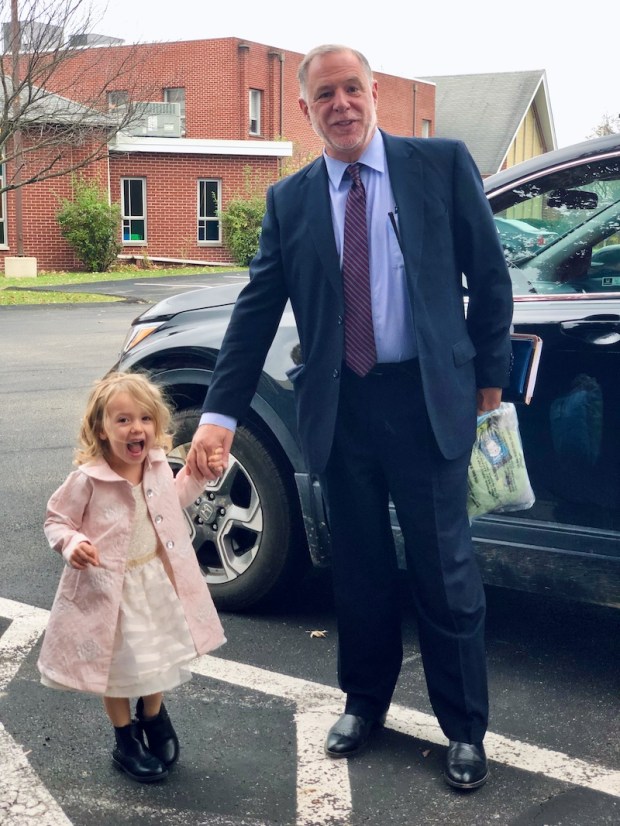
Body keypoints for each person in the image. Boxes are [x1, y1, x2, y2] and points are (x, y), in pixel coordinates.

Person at [187, 44, 513, 791]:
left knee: (444, 572)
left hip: (426, 401)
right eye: (325, 94)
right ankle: (364, 704)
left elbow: (490, 279)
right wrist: (219, 415)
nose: (341, 103)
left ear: (375, 96)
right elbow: (255, 312)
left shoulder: (440, 165)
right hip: (341, 409)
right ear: (305, 109)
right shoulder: (291, 200)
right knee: (360, 572)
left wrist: (489, 379)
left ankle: (464, 728)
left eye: (353, 89)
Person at [38, 372, 226, 783]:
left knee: (157, 657)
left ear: (156, 425)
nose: (135, 427)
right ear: (101, 431)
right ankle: (125, 740)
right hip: (110, 593)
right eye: (122, 420)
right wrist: (70, 544)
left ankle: (154, 717)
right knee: (119, 668)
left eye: (144, 418)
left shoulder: (158, 466)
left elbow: (175, 499)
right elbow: (57, 520)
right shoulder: (88, 479)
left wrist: (202, 474)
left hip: (153, 580)